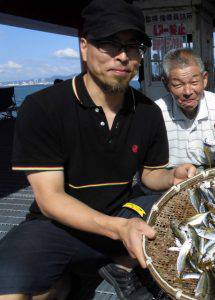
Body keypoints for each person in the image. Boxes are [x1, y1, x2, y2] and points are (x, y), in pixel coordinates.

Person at [0, 0, 195, 299]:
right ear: (83, 47)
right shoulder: (43, 107)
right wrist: (117, 228)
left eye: (132, 47)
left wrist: (172, 177)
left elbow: (150, 175)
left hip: (124, 216)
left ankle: (118, 265)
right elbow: (50, 198)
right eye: (108, 43)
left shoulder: (147, 112)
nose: (122, 56)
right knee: (11, 289)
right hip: (56, 226)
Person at [154, 48, 215, 169]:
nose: (187, 92)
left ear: (204, 79)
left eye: (194, 82)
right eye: (178, 85)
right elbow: (150, 171)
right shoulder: (156, 113)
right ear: (166, 84)